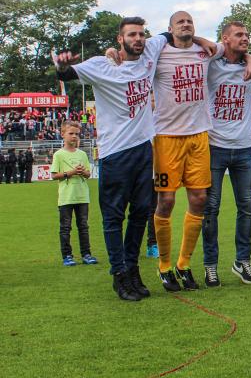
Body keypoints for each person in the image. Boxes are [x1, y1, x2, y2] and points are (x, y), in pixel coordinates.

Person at [55, 16, 167, 301]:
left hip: (144, 149)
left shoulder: (151, 52)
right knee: (114, 217)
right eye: (132, 34)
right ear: (120, 39)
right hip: (115, 154)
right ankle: (119, 274)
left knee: (142, 212)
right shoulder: (102, 65)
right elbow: (65, 74)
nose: (138, 39)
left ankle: (132, 268)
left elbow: (174, 32)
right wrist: (63, 62)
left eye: (141, 34)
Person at [150, 11, 233, 292]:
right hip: (167, 137)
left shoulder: (205, 50)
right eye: (180, 22)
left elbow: (233, 48)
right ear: (170, 28)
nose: (186, 25)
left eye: (190, 22)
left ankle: (183, 265)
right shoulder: (159, 52)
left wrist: (250, 58)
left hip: (199, 136)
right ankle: (164, 266)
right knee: (167, 202)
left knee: (199, 199)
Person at [202, 20, 251, 286]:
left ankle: (242, 261)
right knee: (211, 209)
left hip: (243, 149)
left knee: (247, 208)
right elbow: (192, 47)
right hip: (214, 147)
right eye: (239, 35)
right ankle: (210, 265)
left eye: (247, 35)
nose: (245, 38)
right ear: (225, 38)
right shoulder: (210, 64)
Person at [50, 121, 98, 267]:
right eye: (71, 133)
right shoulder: (59, 155)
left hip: (82, 196)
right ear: (62, 134)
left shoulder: (82, 154)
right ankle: (67, 256)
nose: (74, 137)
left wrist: (83, 172)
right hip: (66, 197)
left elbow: (88, 174)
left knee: (83, 226)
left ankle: (86, 254)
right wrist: (70, 173)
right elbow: (54, 175)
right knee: (65, 227)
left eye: (77, 134)